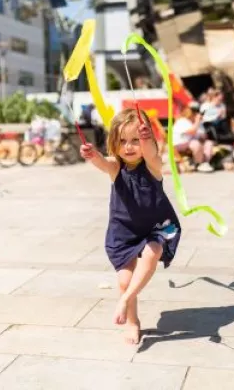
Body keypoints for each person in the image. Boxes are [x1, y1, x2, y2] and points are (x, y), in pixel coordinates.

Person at [80, 108, 181, 345]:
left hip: (156, 225)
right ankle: (133, 321)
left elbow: (152, 154)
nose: (129, 146)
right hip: (124, 229)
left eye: (135, 140)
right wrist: (92, 154)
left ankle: (124, 301)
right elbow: (102, 163)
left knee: (153, 251)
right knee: (124, 279)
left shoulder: (152, 166)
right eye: (122, 141)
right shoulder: (116, 167)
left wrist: (146, 140)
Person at [173, 105, 213, 172]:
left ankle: (205, 162)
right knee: (195, 143)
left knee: (208, 143)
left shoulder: (198, 123)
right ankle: (198, 163)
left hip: (191, 142)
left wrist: (203, 137)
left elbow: (203, 136)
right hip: (180, 144)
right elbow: (192, 132)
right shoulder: (182, 121)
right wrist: (197, 121)